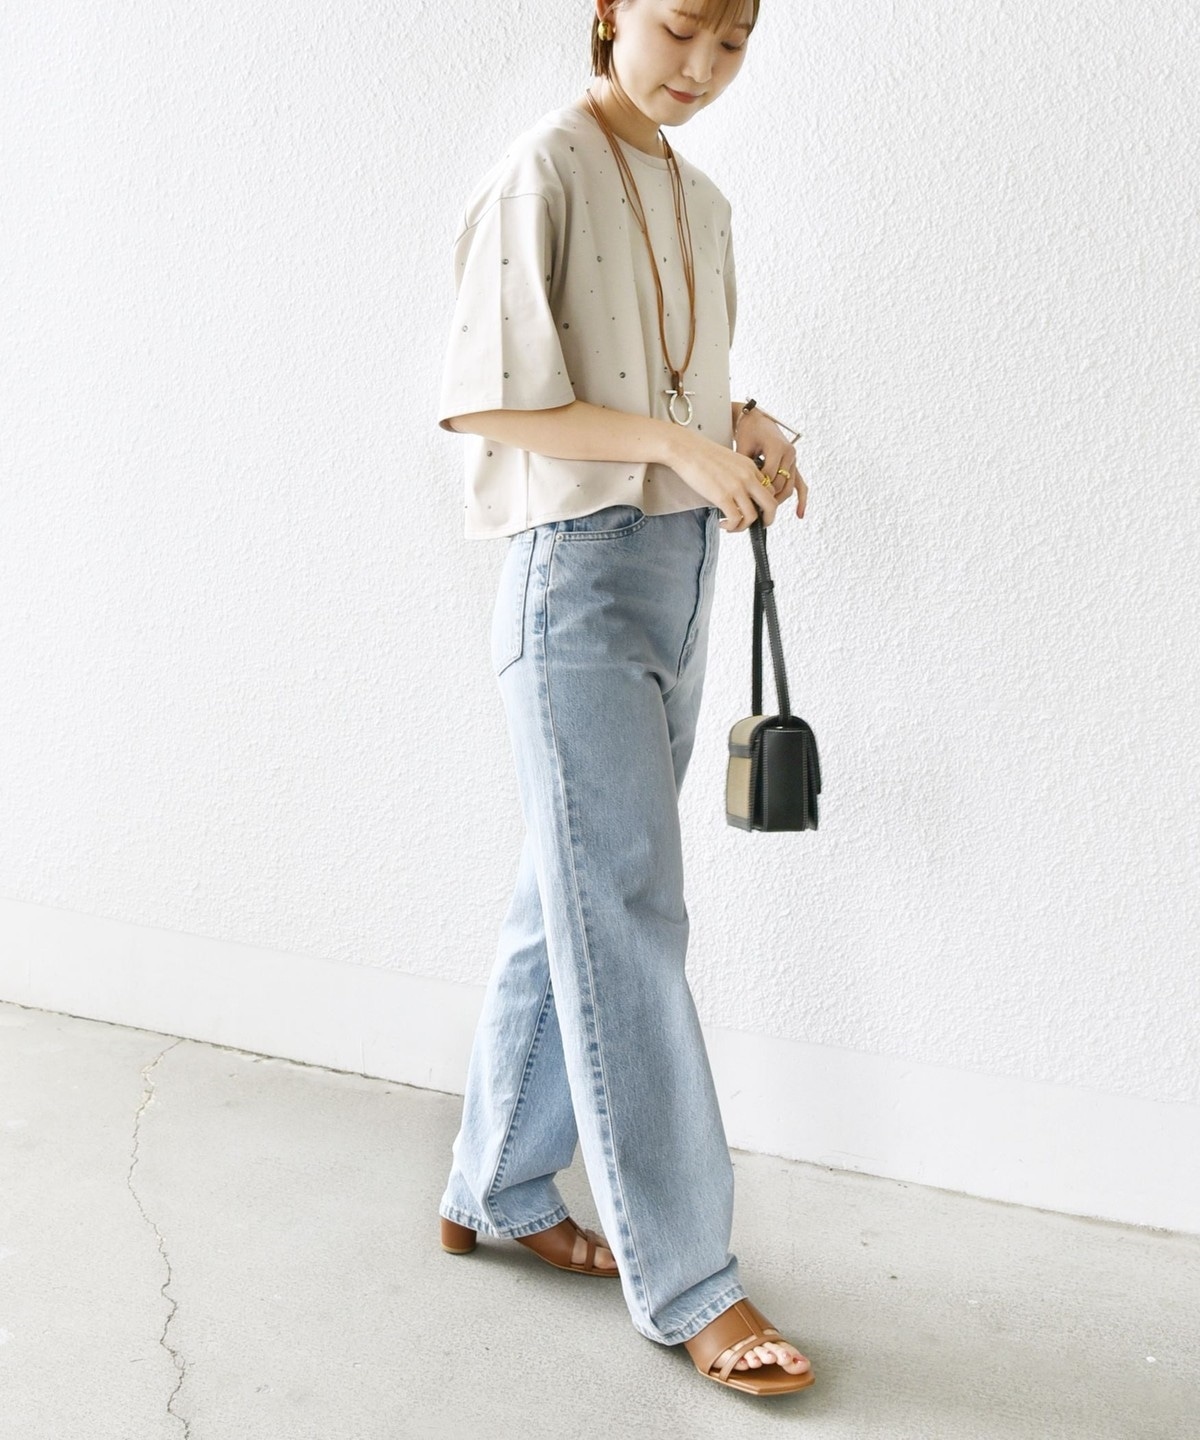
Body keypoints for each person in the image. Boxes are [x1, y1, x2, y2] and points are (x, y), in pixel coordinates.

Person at [434, 0, 814, 1397]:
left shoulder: (701, 198)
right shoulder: (542, 167)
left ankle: (494, 1184)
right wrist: (671, 442)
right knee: (631, 913)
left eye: (733, 43)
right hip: (578, 579)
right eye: (679, 28)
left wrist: (742, 425)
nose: (701, 68)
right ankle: (693, 1279)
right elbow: (485, 400)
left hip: (680, 572)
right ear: (607, 9)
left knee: (575, 895)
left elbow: (665, 384)